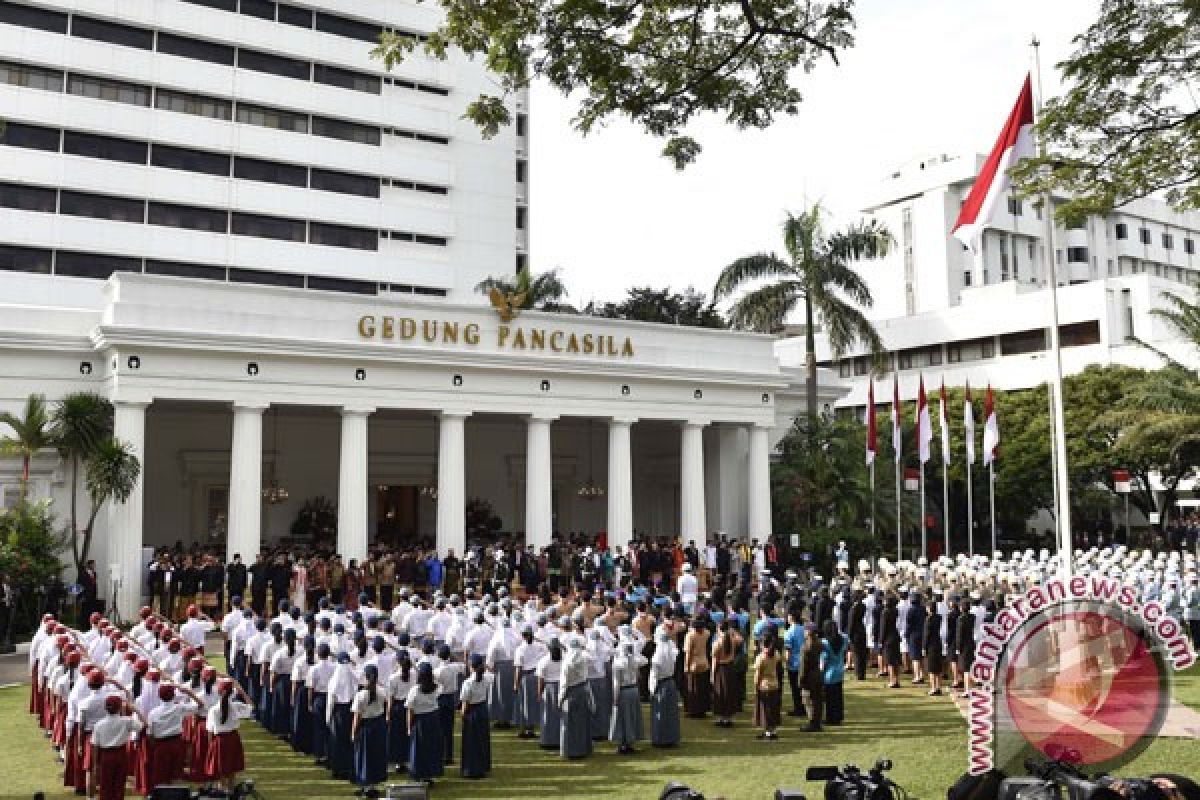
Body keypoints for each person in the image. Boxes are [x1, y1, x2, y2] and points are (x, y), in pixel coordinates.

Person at [92, 693, 145, 800]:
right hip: (121, 754)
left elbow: (95, 745)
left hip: (106, 755)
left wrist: (95, 764)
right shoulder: (126, 721)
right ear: (120, 707)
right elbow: (143, 725)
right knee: (119, 785)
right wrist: (136, 710)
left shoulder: (99, 724)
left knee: (105, 785)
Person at [204, 679, 254, 792]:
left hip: (219, 741)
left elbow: (210, 731)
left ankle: (222, 791)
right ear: (232, 692)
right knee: (232, 768)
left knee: (220, 769)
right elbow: (251, 706)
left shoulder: (213, 710)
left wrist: (210, 745)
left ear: (219, 692)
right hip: (233, 738)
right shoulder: (236, 706)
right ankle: (230, 791)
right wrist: (242, 692)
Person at [405, 662, 444, 785]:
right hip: (433, 719)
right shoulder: (437, 688)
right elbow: (439, 686)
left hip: (420, 720)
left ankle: (419, 774)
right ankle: (429, 774)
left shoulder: (415, 691)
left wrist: (408, 727)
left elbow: (410, 710)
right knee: (431, 747)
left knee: (419, 748)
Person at [351, 664, 387, 797]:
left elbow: (357, 717)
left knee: (364, 756)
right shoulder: (382, 691)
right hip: (378, 725)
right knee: (376, 755)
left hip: (366, 726)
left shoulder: (361, 695)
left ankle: (366, 786)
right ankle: (372, 785)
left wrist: (353, 733)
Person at [458, 653, 493, 778]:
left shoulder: (468, 683)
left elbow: (465, 703)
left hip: (472, 711)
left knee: (471, 741)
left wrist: (463, 715)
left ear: (471, 666)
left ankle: (471, 769)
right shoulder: (487, 678)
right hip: (482, 709)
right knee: (482, 740)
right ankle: (482, 767)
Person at [327, 651, 359, 781]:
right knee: (348, 740)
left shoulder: (334, 679)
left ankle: (338, 768)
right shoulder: (352, 675)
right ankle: (348, 767)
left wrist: (328, 718)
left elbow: (330, 702)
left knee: (337, 741)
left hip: (338, 711)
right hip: (350, 710)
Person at [559, 637, 592, 759]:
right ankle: (583, 749)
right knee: (582, 722)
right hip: (582, 691)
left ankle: (570, 750)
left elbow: (564, 683)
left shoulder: (567, 662)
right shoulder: (583, 659)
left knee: (569, 723)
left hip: (570, 693)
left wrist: (560, 699)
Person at [609, 639, 645, 754]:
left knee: (622, 718)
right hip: (634, 690)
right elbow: (639, 675)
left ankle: (623, 744)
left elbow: (616, 683)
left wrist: (615, 698)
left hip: (624, 691)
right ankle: (630, 742)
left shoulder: (618, 663)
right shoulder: (635, 660)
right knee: (632, 717)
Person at [649, 629, 679, 747]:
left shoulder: (657, 657)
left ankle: (661, 739)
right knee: (671, 713)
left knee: (660, 712)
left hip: (661, 685)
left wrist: (651, 690)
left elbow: (654, 676)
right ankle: (671, 737)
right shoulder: (672, 653)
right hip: (670, 684)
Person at [387, 650, 416, 774]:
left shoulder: (393, 677)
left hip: (398, 708)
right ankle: (409, 760)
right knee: (408, 735)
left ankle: (399, 762)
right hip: (411, 706)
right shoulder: (414, 674)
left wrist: (388, 714)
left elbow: (391, 698)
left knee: (397, 736)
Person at [752, 627, 783, 740]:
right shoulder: (776, 654)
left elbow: (758, 675)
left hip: (764, 685)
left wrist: (756, 687)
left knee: (765, 710)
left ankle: (768, 732)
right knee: (773, 709)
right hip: (774, 684)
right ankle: (773, 731)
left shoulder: (761, 658)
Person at [711, 619, 741, 728]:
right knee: (729, 692)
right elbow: (741, 640)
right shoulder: (733, 640)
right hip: (730, 667)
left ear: (719, 629)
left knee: (721, 693)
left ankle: (721, 718)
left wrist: (712, 675)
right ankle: (728, 718)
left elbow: (714, 660)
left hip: (721, 669)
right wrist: (733, 632)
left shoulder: (717, 643)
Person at [536, 636, 564, 750]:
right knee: (560, 715)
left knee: (547, 715)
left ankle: (548, 740)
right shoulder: (565, 659)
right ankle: (561, 739)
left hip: (548, 688)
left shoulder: (543, 661)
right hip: (561, 687)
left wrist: (539, 693)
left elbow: (541, 680)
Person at [820, 619, 847, 725]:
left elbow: (824, 660)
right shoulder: (843, 639)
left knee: (830, 698)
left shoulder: (825, 643)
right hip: (839, 670)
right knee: (838, 696)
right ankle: (838, 717)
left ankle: (830, 718)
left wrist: (821, 672)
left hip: (829, 673)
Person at [682, 617, 711, 718]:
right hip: (704, 661)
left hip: (694, 663)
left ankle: (693, 710)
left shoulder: (690, 636)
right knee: (703, 688)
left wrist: (687, 666)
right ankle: (702, 709)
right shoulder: (707, 633)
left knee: (693, 688)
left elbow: (688, 652)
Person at [782, 609, 807, 718]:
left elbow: (788, 650)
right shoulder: (804, 629)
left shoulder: (789, 632)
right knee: (803, 686)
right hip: (804, 661)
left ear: (791, 617)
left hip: (794, 663)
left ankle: (798, 709)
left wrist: (786, 663)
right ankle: (805, 707)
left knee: (795, 688)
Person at [924, 598, 945, 697]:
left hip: (931, 644)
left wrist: (924, 647)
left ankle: (933, 688)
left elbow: (927, 634)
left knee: (932, 668)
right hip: (938, 642)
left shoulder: (929, 619)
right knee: (938, 667)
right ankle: (939, 687)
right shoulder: (939, 617)